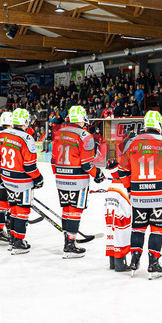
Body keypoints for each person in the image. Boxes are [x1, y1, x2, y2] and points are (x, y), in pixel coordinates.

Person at [117, 110, 162, 279]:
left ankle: (134, 260)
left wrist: (130, 189)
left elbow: (122, 171)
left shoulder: (131, 143)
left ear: (145, 125)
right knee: (157, 229)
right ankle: (153, 263)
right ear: (160, 125)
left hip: (138, 194)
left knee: (138, 227)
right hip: (161, 194)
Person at [52, 106, 102, 260]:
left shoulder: (59, 133)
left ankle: (68, 240)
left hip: (61, 177)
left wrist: (58, 174)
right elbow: (87, 164)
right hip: (77, 179)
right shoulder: (85, 135)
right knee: (74, 210)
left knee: (67, 209)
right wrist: (97, 174)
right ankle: (70, 245)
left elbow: (53, 159)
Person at [0, 108, 44, 254]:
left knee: (14, 208)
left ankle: (12, 238)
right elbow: (29, 166)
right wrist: (38, 178)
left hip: (7, 178)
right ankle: (19, 242)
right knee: (22, 210)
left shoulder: (3, 135)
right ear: (24, 121)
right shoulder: (27, 138)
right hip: (22, 181)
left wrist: (1, 174)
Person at [0, 112, 15, 245]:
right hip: (5, 172)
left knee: (0, 203)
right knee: (10, 203)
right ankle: (12, 229)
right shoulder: (9, 135)